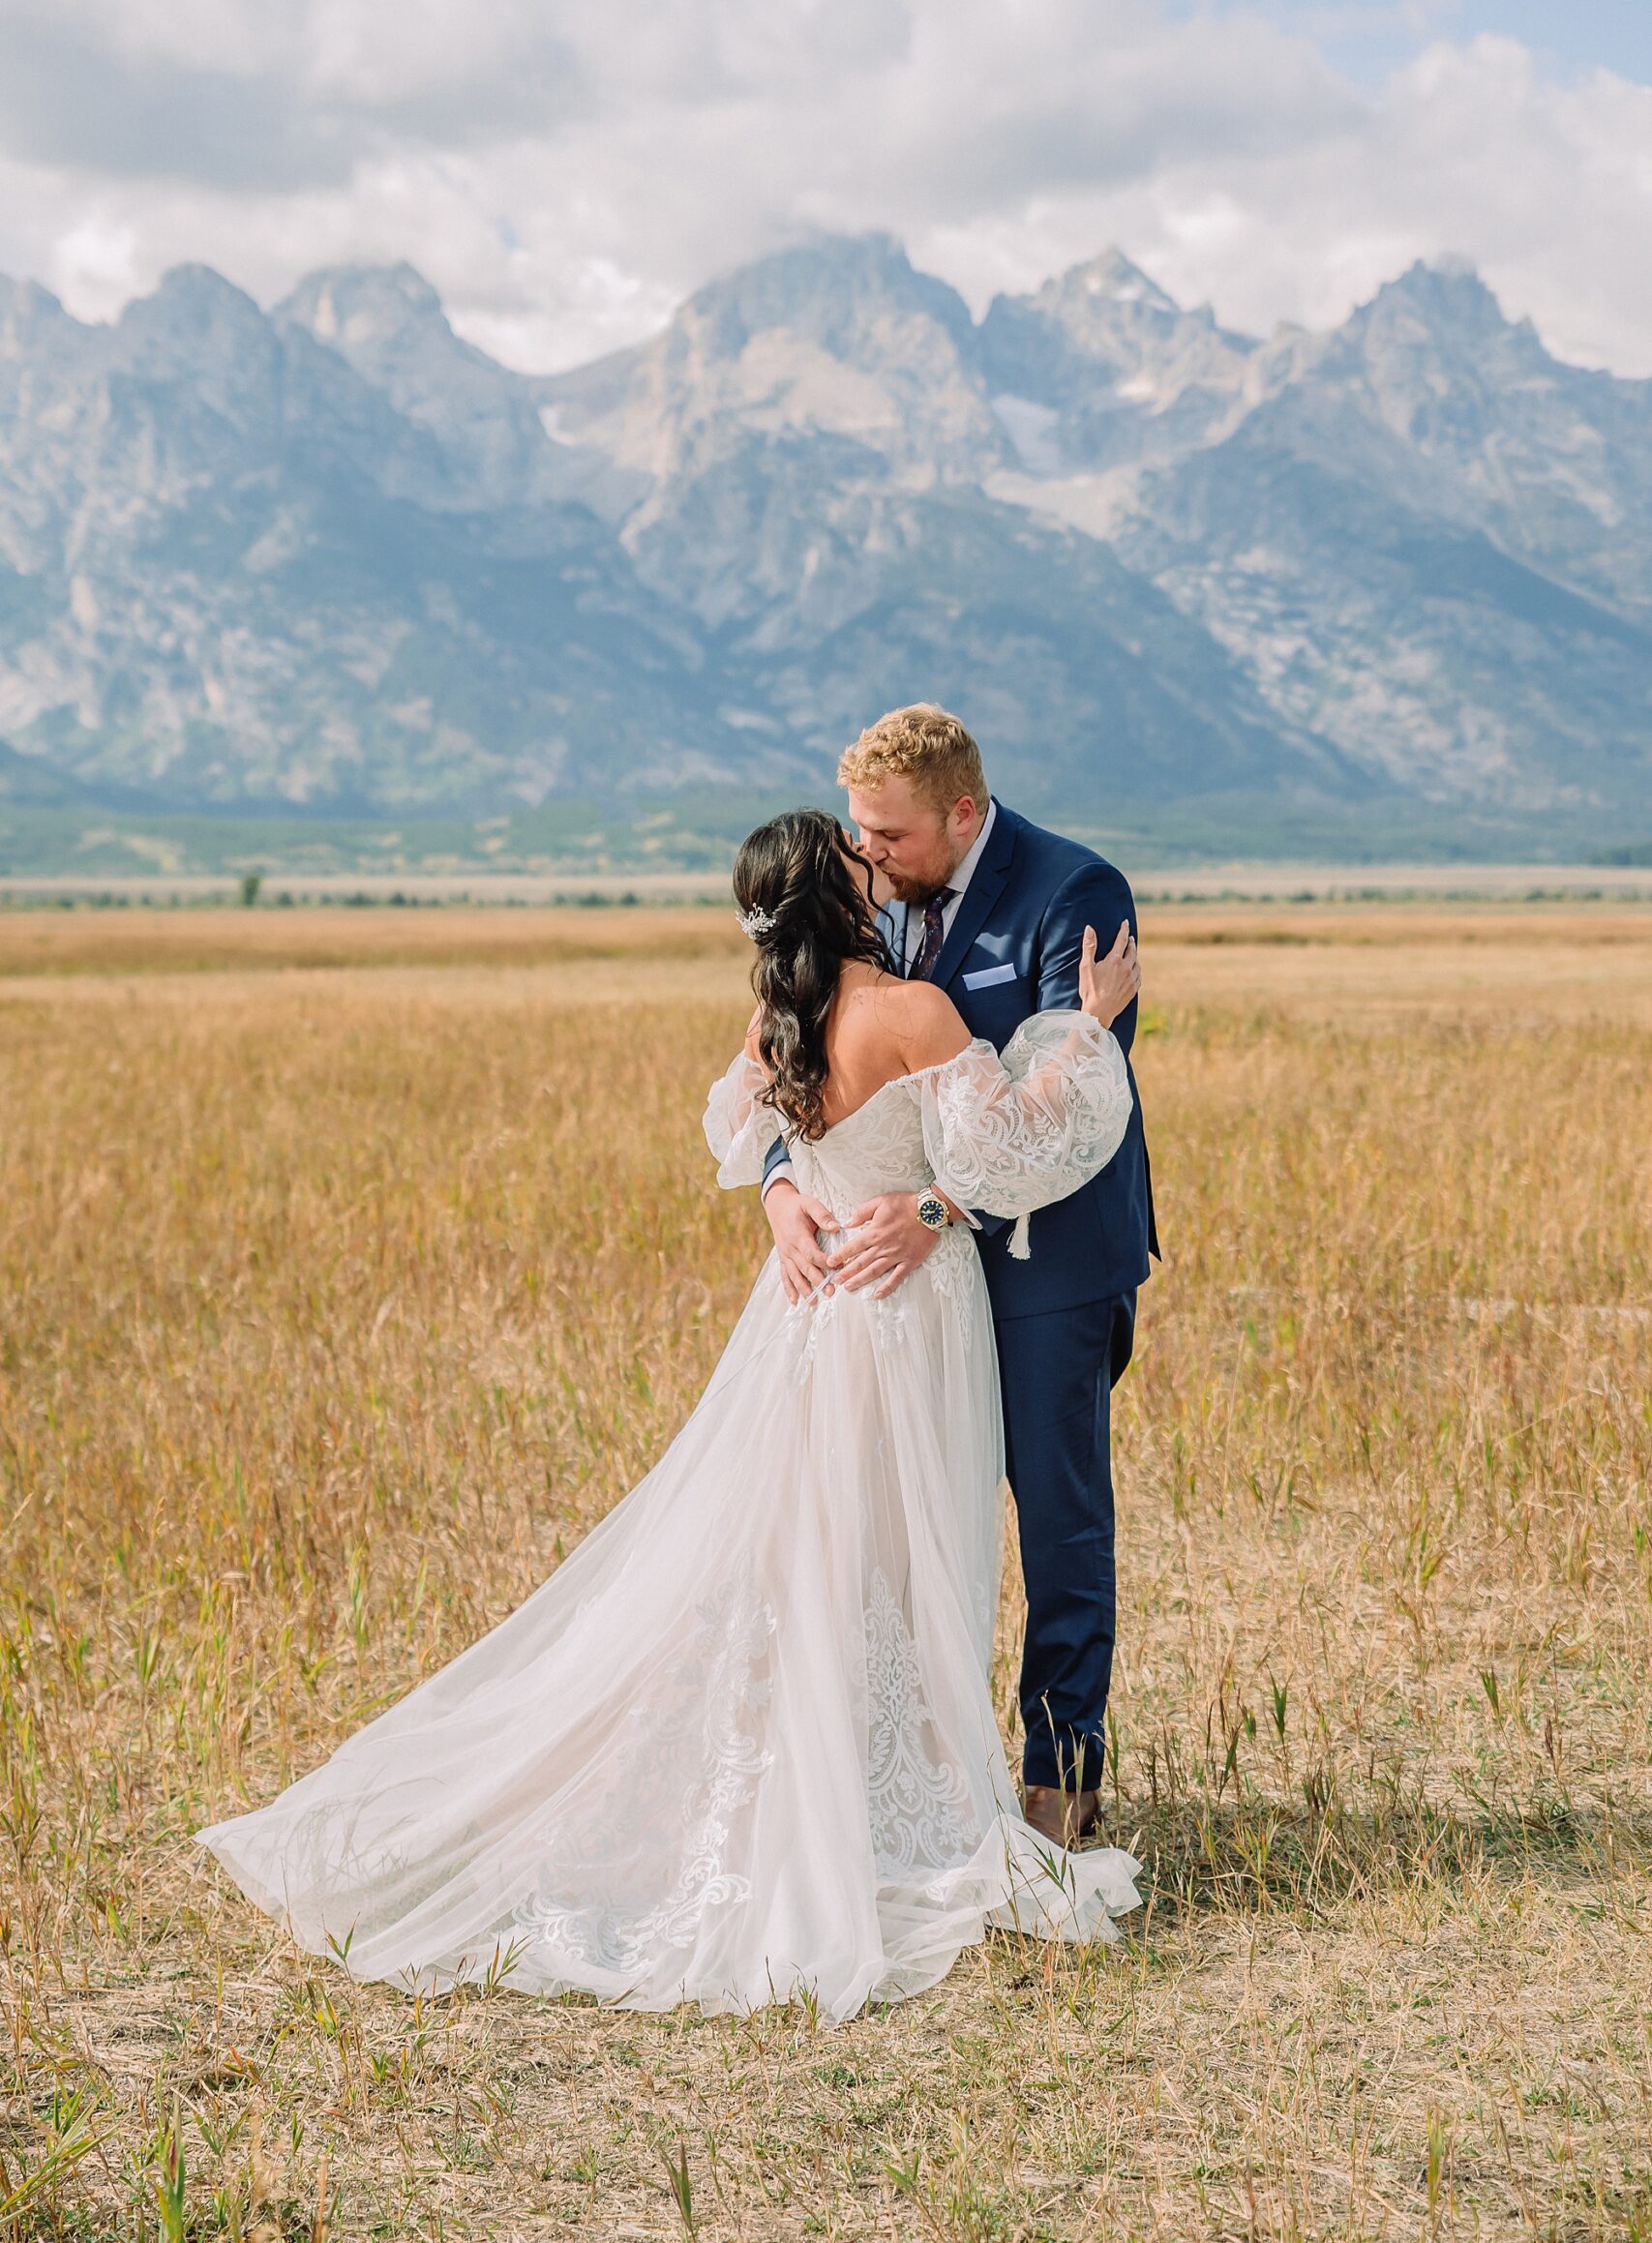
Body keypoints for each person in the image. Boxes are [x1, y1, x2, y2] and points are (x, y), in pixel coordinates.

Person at [198, 799, 1145, 2023]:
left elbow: (744, 1123)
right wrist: (1087, 1024)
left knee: (813, 1556)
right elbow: (1014, 1143)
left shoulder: (778, 1018)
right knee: (912, 1557)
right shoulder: (911, 1012)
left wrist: (788, 1189)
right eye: (861, 855)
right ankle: (899, 1802)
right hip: (905, 1320)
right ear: (845, 894)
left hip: (806, 1320)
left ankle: (833, 1785)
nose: (879, 864)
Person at [761, 706, 1156, 1845]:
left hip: (1042, 1270)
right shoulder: (870, 910)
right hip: (898, 1293)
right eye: (857, 833)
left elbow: (1060, 1110)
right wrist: (789, 1185)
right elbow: (816, 1052)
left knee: (1057, 1518)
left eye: (888, 834)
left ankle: (1058, 1778)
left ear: (964, 814)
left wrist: (940, 1206)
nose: (868, 853)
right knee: (891, 1521)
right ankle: (905, 1773)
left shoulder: (1075, 892)